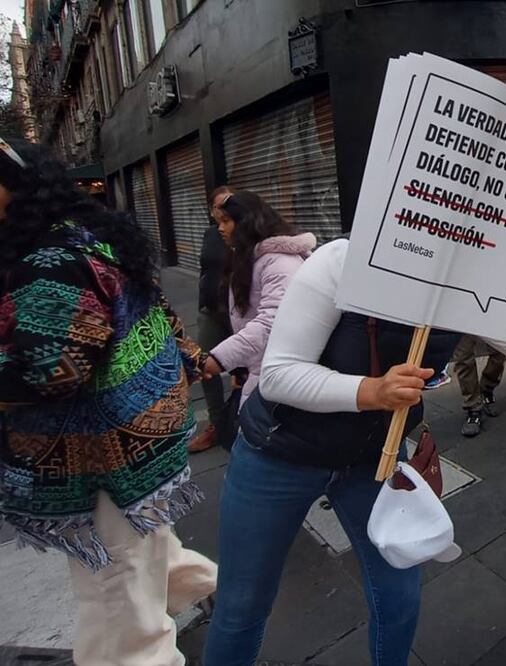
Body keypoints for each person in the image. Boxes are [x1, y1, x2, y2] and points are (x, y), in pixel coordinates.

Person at [201, 238, 506, 666]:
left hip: (370, 459)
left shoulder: (473, 284)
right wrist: (371, 390)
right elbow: (280, 373)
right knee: (243, 605)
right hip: (276, 454)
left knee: (399, 598)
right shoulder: (342, 259)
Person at [0, 138, 216, 665]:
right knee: (148, 554)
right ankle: (208, 592)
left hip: (102, 462)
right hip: (140, 451)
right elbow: (161, 319)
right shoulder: (89, 238)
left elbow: (54, 368)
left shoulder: (51, 258)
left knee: (118, 611)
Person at [200, 190, 316, 407]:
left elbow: (271, 324)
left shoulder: (279, 263)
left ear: (247, 222)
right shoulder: (248, 255)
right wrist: (241, 366)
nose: (220, 229)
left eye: (226, 221)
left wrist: (220, 359)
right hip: (261, 370)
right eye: (218, 222)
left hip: (278, 376)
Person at [188, 185, 234, 453]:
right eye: (218, 207)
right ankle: (216, 424)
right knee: (204, 366)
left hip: (236, 312)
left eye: (228, 205)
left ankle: (246, 420)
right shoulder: (209, 234)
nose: (222, 212)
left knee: (248, 367)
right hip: (209, 310)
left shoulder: (244, 235)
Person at [451, 335, 506, 437]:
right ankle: (473, 407)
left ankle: (487, 388)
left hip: (495, 319)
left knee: (501, 350)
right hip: (462, 320)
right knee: (463, 356)